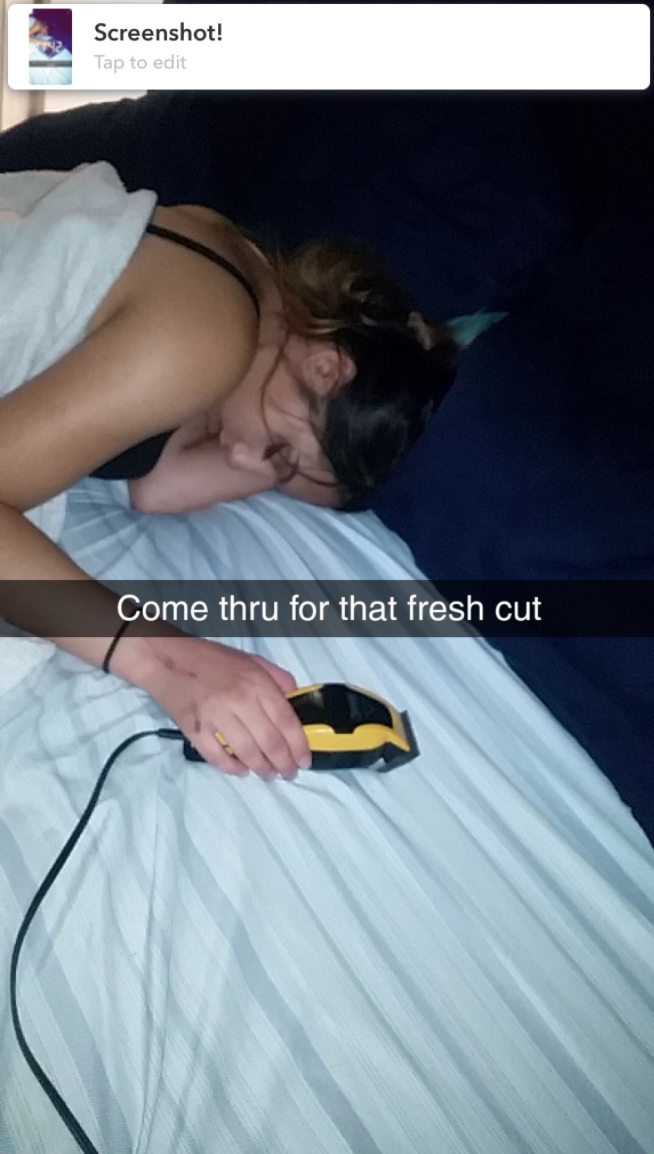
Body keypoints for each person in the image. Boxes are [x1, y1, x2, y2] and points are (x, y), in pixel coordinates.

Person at [0, 161, 456, 781]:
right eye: (278, 451)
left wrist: (292, 456)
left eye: (275, 476)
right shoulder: (209, 334)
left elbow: (155, 487)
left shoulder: (236, 268)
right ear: (326, 368)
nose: (242, 461)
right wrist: (168, 664)